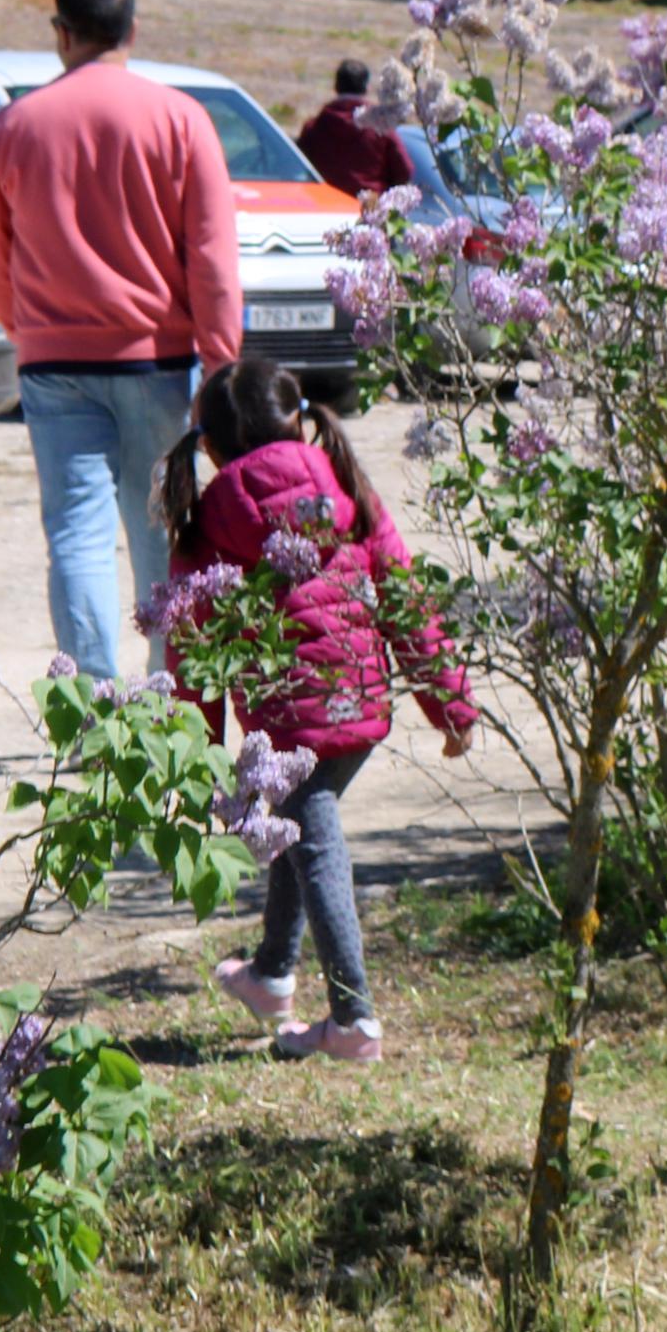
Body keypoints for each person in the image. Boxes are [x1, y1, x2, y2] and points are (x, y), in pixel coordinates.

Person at [162, 357, 474, 1063]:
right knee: (299, 827)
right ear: (300, 421)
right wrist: (448, 702)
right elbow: (402, 594)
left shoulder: (208, 518)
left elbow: (192, 652)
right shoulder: (343, 481)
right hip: (362, 700)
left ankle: (353, 1019)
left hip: (287, 718)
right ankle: (271, 975)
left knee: (313, 839)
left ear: (207, 448)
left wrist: (198, 752)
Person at [0, 0, 243, 681]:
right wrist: (219, 364)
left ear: (61, 35)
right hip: (158, 359)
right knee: (161, 528)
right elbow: (211, 255)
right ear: (133, 29)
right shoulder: (181, 118)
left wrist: (22, 328)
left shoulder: (13, 125)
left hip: (52, 365)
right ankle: (168, 688)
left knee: (76, 535)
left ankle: (93, 698)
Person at [295, 57, 413, 200]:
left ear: (336, 86)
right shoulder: (380, 127)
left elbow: (297, 167)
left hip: (325, 206)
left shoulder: (314, 128)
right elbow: (405, 171)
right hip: (369, 208)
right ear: (365, 87)